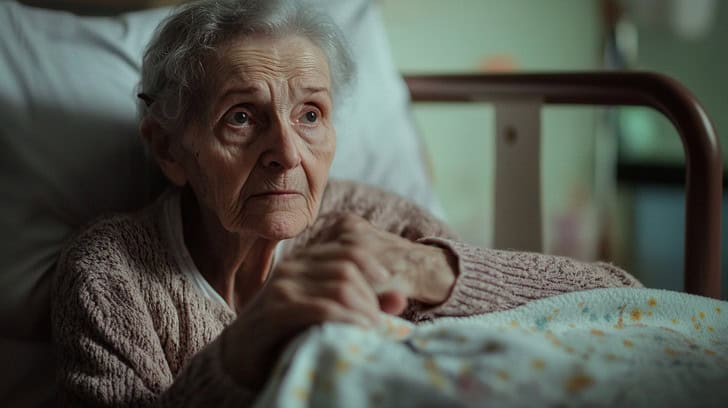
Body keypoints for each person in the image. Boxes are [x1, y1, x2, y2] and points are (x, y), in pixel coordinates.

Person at [51, 0, 642, 406]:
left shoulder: (375, 222)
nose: (286, 151)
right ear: (169, 150)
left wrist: (429, 269)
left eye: (310, 114)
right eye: (241, 117)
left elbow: (623, 300)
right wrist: (245, 348)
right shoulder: (109, 275)